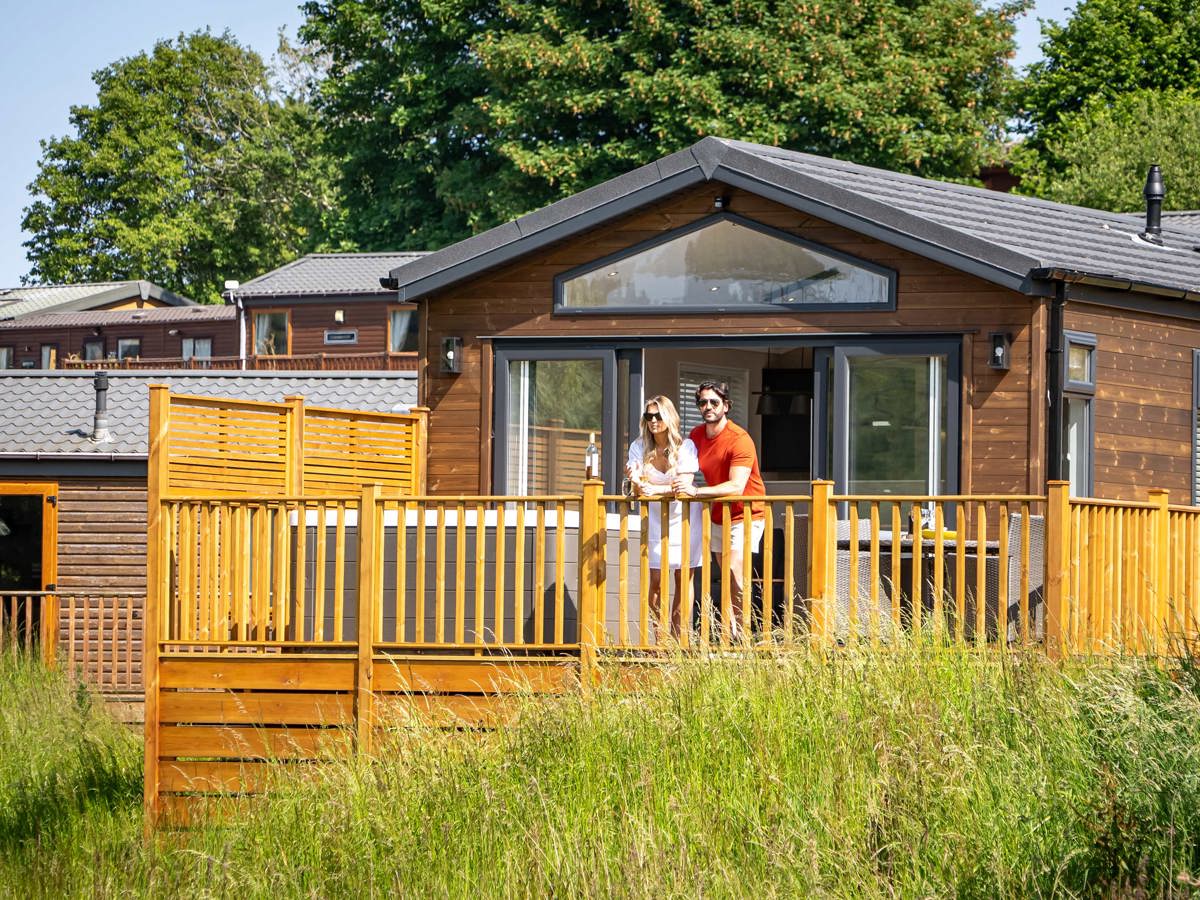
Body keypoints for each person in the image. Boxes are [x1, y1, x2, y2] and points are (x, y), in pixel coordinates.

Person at [673, 380, 766, 639]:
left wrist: (696, 492)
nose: (708, 406)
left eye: (714, 402)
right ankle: (731, 630)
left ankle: (739, 635)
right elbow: (682, 468)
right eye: (703, 402)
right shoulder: (696, 436)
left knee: (735, 571)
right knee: (724, 573)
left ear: (726, 405)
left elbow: (737, 486)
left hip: (745, 512)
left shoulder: (740, 440)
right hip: (717, 514)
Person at [625, 395, 702, 640]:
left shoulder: (685, 446)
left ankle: (679, 636)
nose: (654, 421)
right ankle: (660, 638)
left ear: (669, 417)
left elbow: (684, 485)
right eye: (649, 416)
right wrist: (635, 482)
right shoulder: (639, 446)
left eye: (658, 416)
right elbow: (637, 486)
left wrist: (655, 490)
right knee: (656, 579)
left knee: (683, 575)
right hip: (656, 519)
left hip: (685, 518)